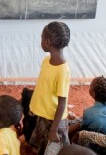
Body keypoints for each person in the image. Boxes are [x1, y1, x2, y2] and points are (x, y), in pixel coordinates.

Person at [29, 21, 71, 154]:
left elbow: (62, 104)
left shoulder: (63, 71)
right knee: (42, 147)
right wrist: (34, 106)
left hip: (54, 121)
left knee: (52, 150)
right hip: (43, 114)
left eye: (41, 38)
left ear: (47, 42)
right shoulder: (46, 61)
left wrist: (54, 130)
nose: (40, 41)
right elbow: (43, 87)